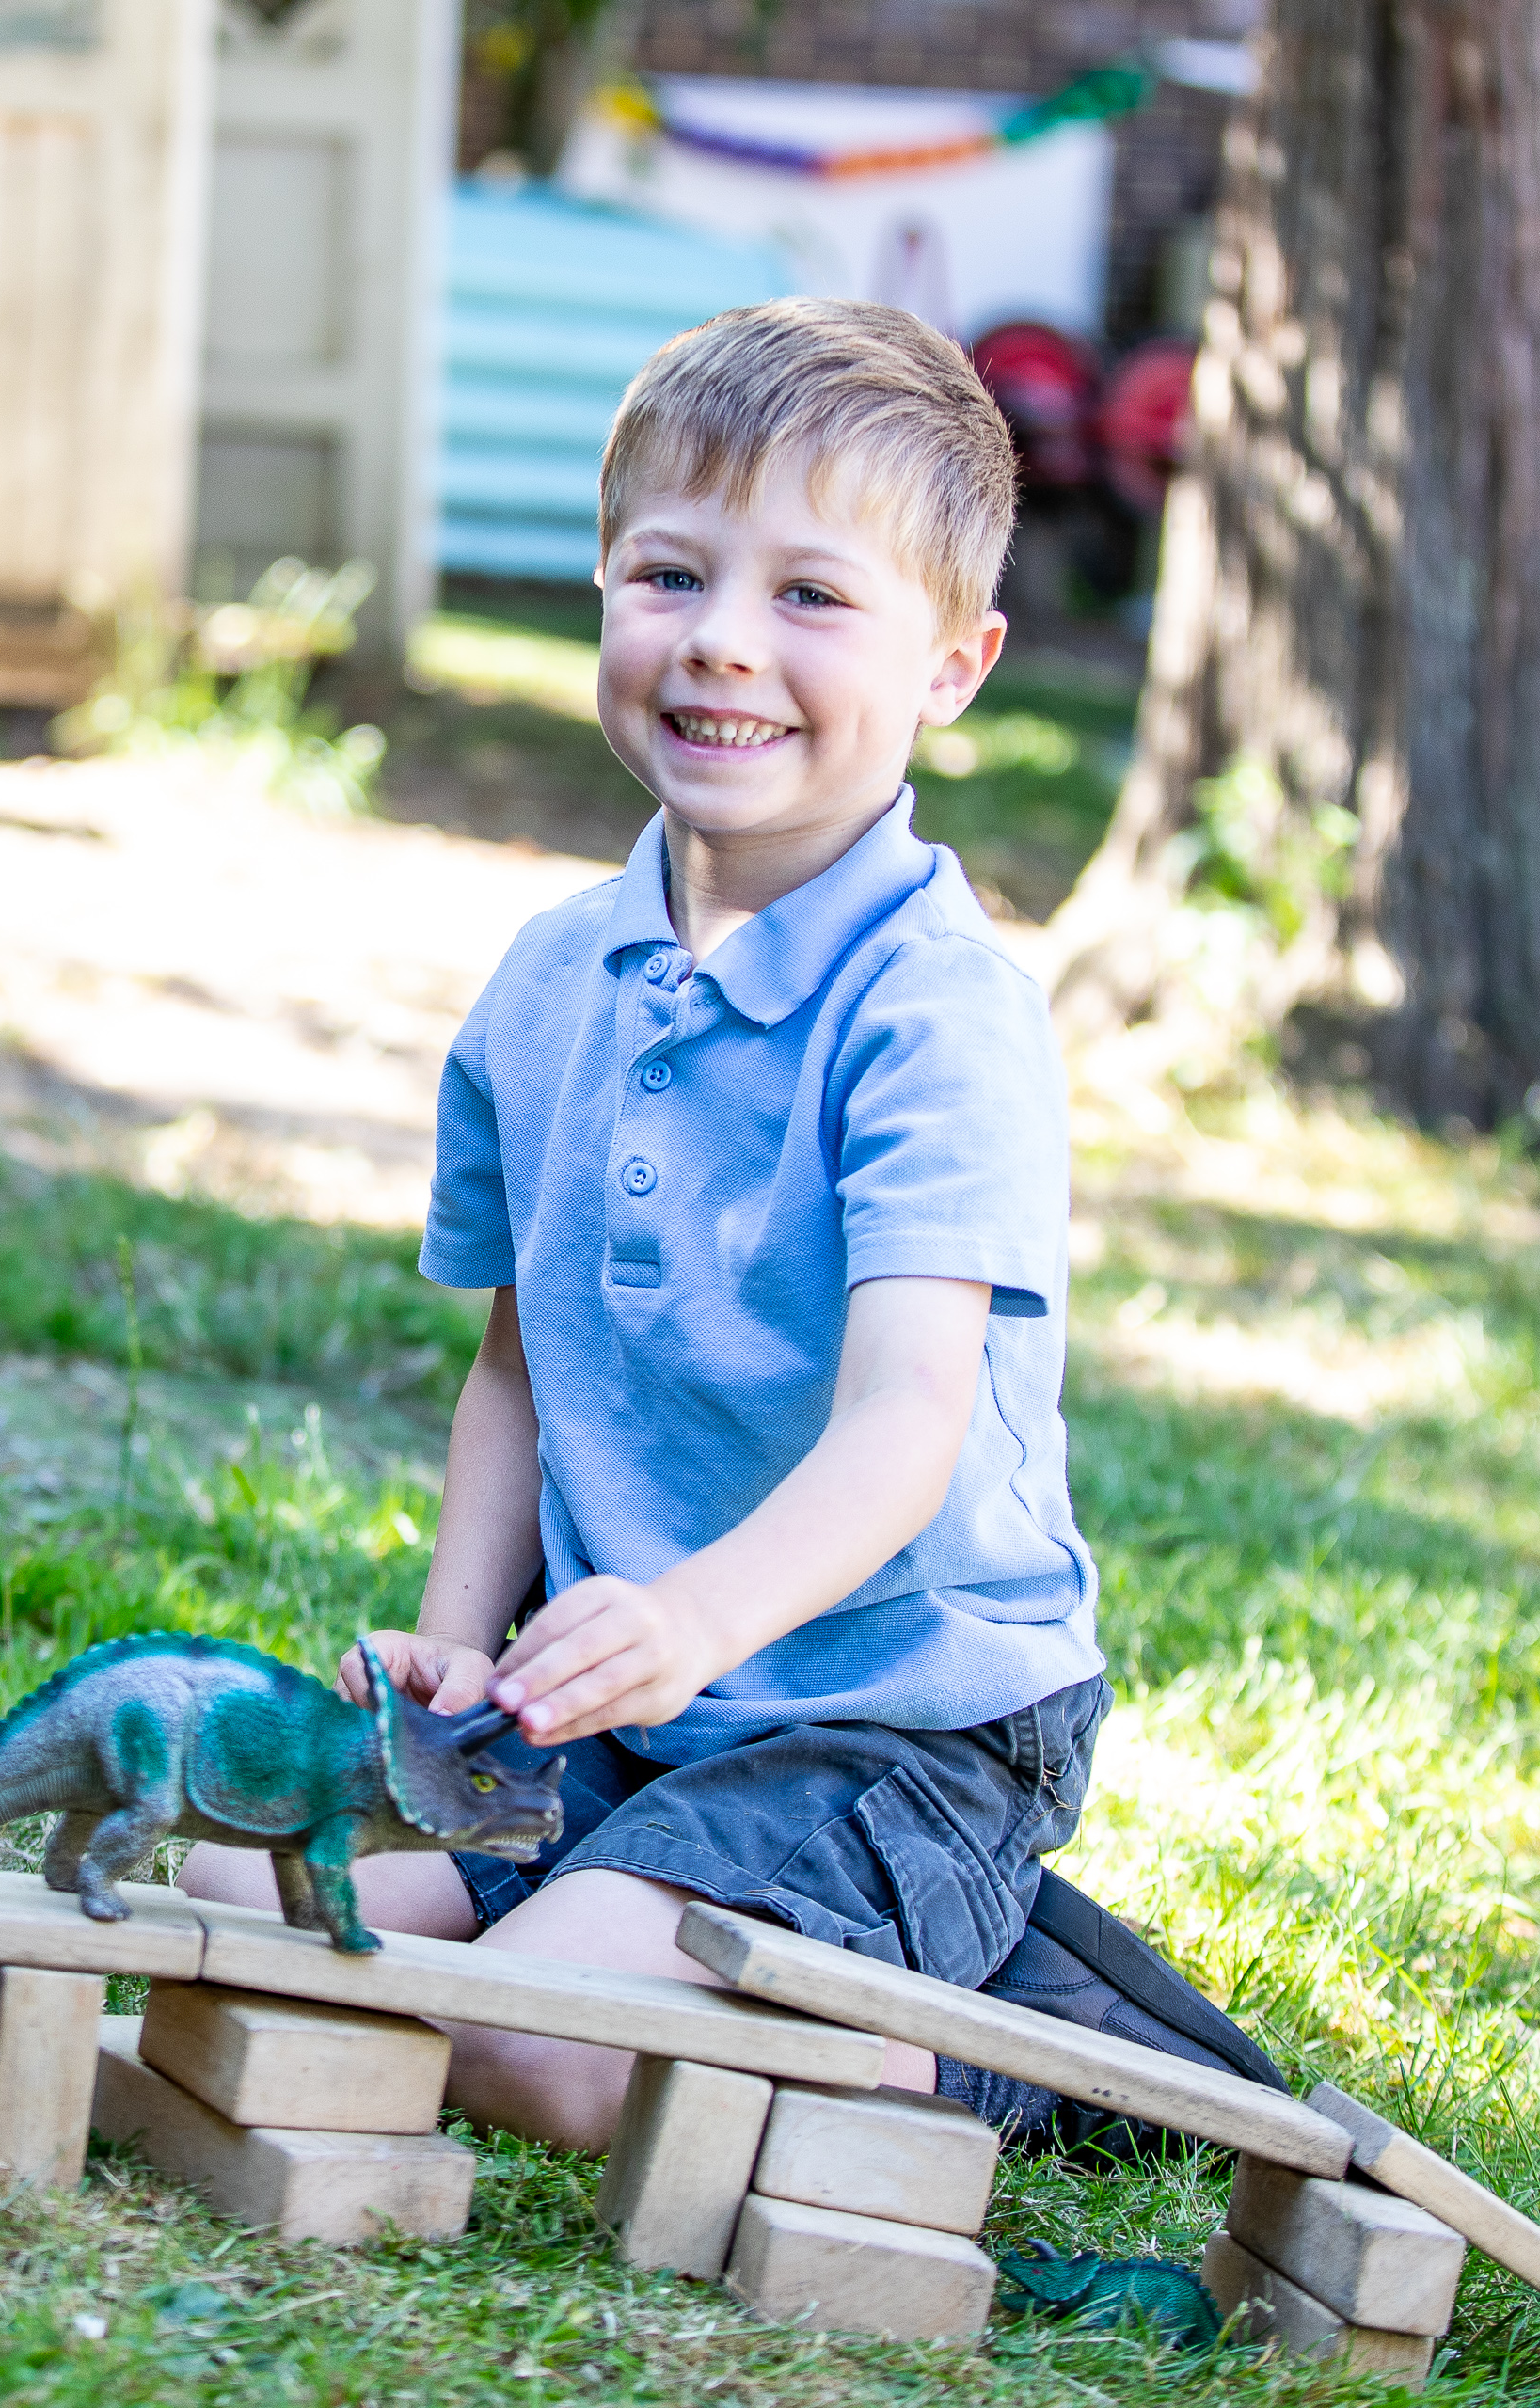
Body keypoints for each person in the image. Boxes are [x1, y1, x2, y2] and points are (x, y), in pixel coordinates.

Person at [183, 299, 1115, 2149]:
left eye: (812, 598)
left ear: (955, 662)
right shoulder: (551, 983)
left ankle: (1004, 2022)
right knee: (244, 1888)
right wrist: (457, 1645)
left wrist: (696, 1616)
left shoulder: (938, 1010)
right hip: (610, 1684)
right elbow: (518, 1371)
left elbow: (906, 1425)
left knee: (539, 2045)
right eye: (671, 573)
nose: (723, 646)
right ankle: (640, 1903)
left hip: (890, 1717)